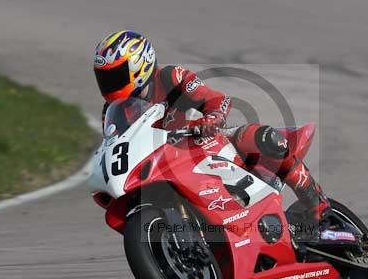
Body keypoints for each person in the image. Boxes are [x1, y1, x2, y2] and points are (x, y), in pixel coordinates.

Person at [93, 29, 332, 235]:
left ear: (139, 66)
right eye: (104, 78)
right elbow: (117, 145)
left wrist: (211, 119)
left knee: (263, 137)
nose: (108, 84)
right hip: (161, 166)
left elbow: (216, 99)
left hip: (197, 143)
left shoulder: (170, 77)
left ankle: (317, 207)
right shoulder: (113, 111)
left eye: (115, 75)